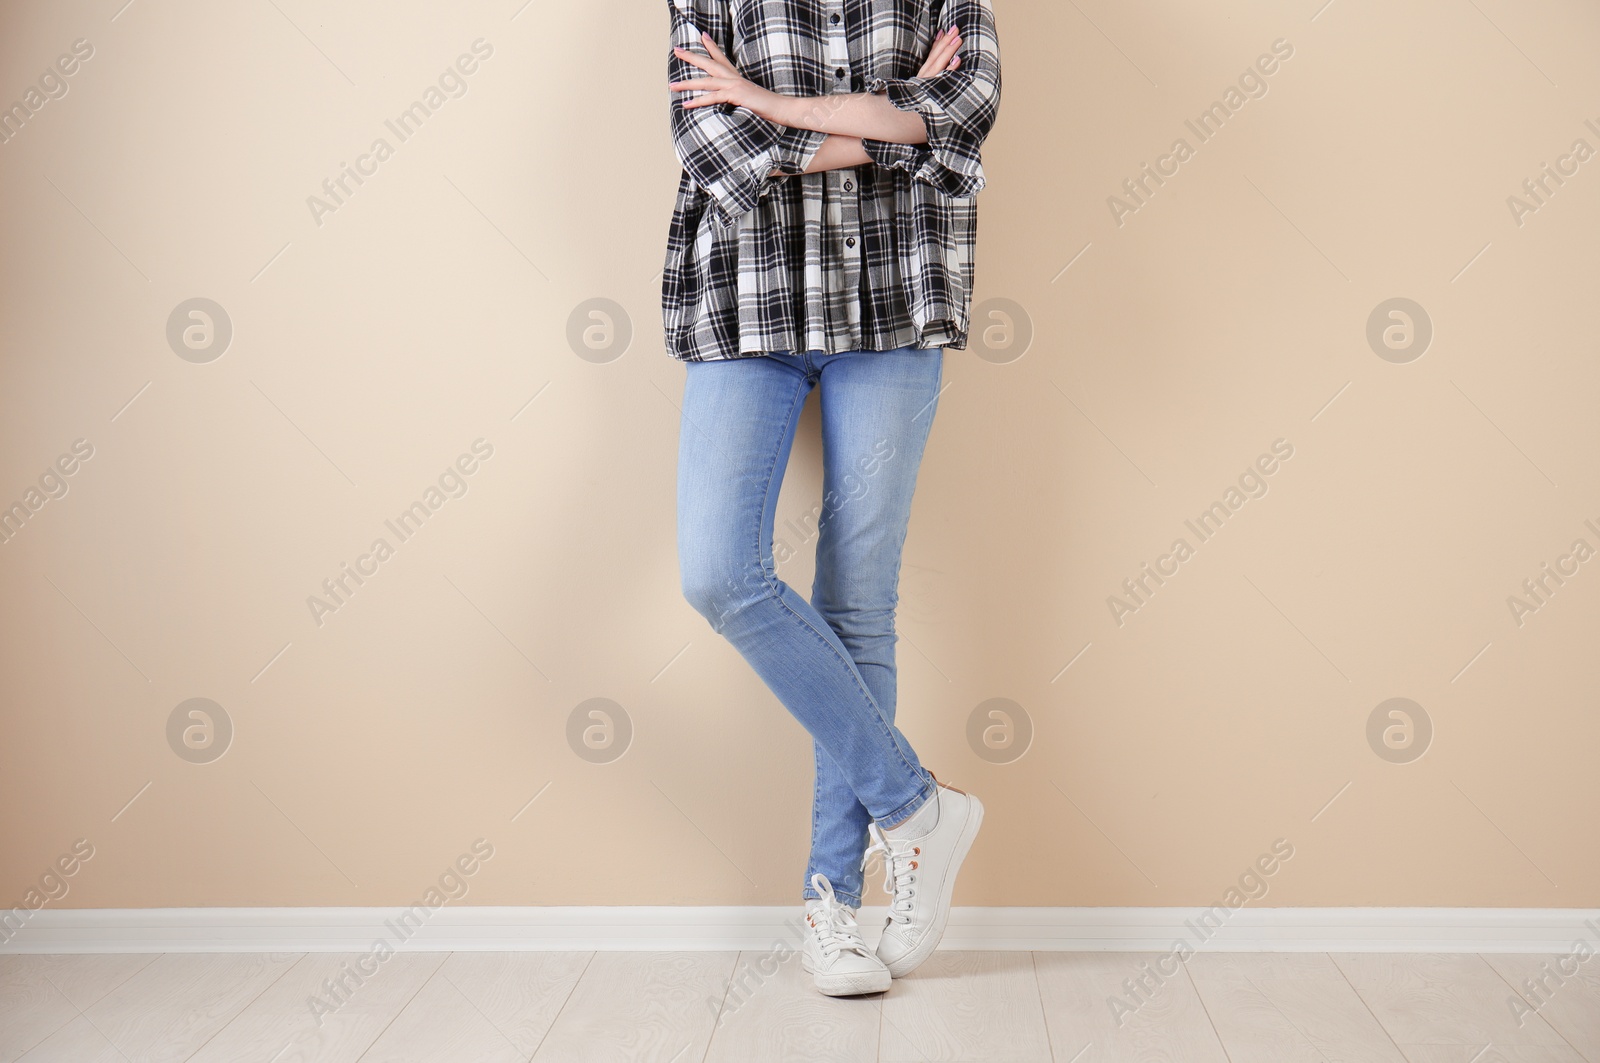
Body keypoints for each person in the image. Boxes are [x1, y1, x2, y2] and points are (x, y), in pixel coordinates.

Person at [662, 0, 1001, 997]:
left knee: (859, 602)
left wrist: (772, 104)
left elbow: (966, 111)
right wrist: (891, 128)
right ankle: (916, 810)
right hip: (748, 302)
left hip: (896, 300)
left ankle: (833, 908)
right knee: (718, 573)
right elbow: (709, 144)